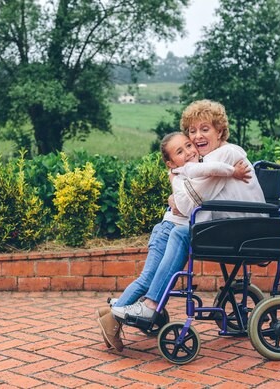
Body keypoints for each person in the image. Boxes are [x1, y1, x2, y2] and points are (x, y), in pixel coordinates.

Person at [109, 99, 266, 335]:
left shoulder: (223, 155)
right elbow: (189, 200)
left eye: (205, 129)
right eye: (192, 131)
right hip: (238, 226)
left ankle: (151, 305)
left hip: (244, 229)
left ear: (220, 131)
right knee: (180, 231)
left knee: (182, 233)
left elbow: (185, 204)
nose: (197, 136)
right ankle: (140, 305)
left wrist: (174, 186)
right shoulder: (212, 157)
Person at [96, 130, 251, 351]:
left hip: (170, 228)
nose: (189, 152)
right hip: (168, 229)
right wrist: (233, 172)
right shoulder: (182, 174)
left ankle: (111, 312)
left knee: (148, 279)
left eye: (188, 146)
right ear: (170, 163)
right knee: (147, 279)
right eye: (180, 151)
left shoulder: (190, 171)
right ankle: (113, 318)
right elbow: (193, 192)